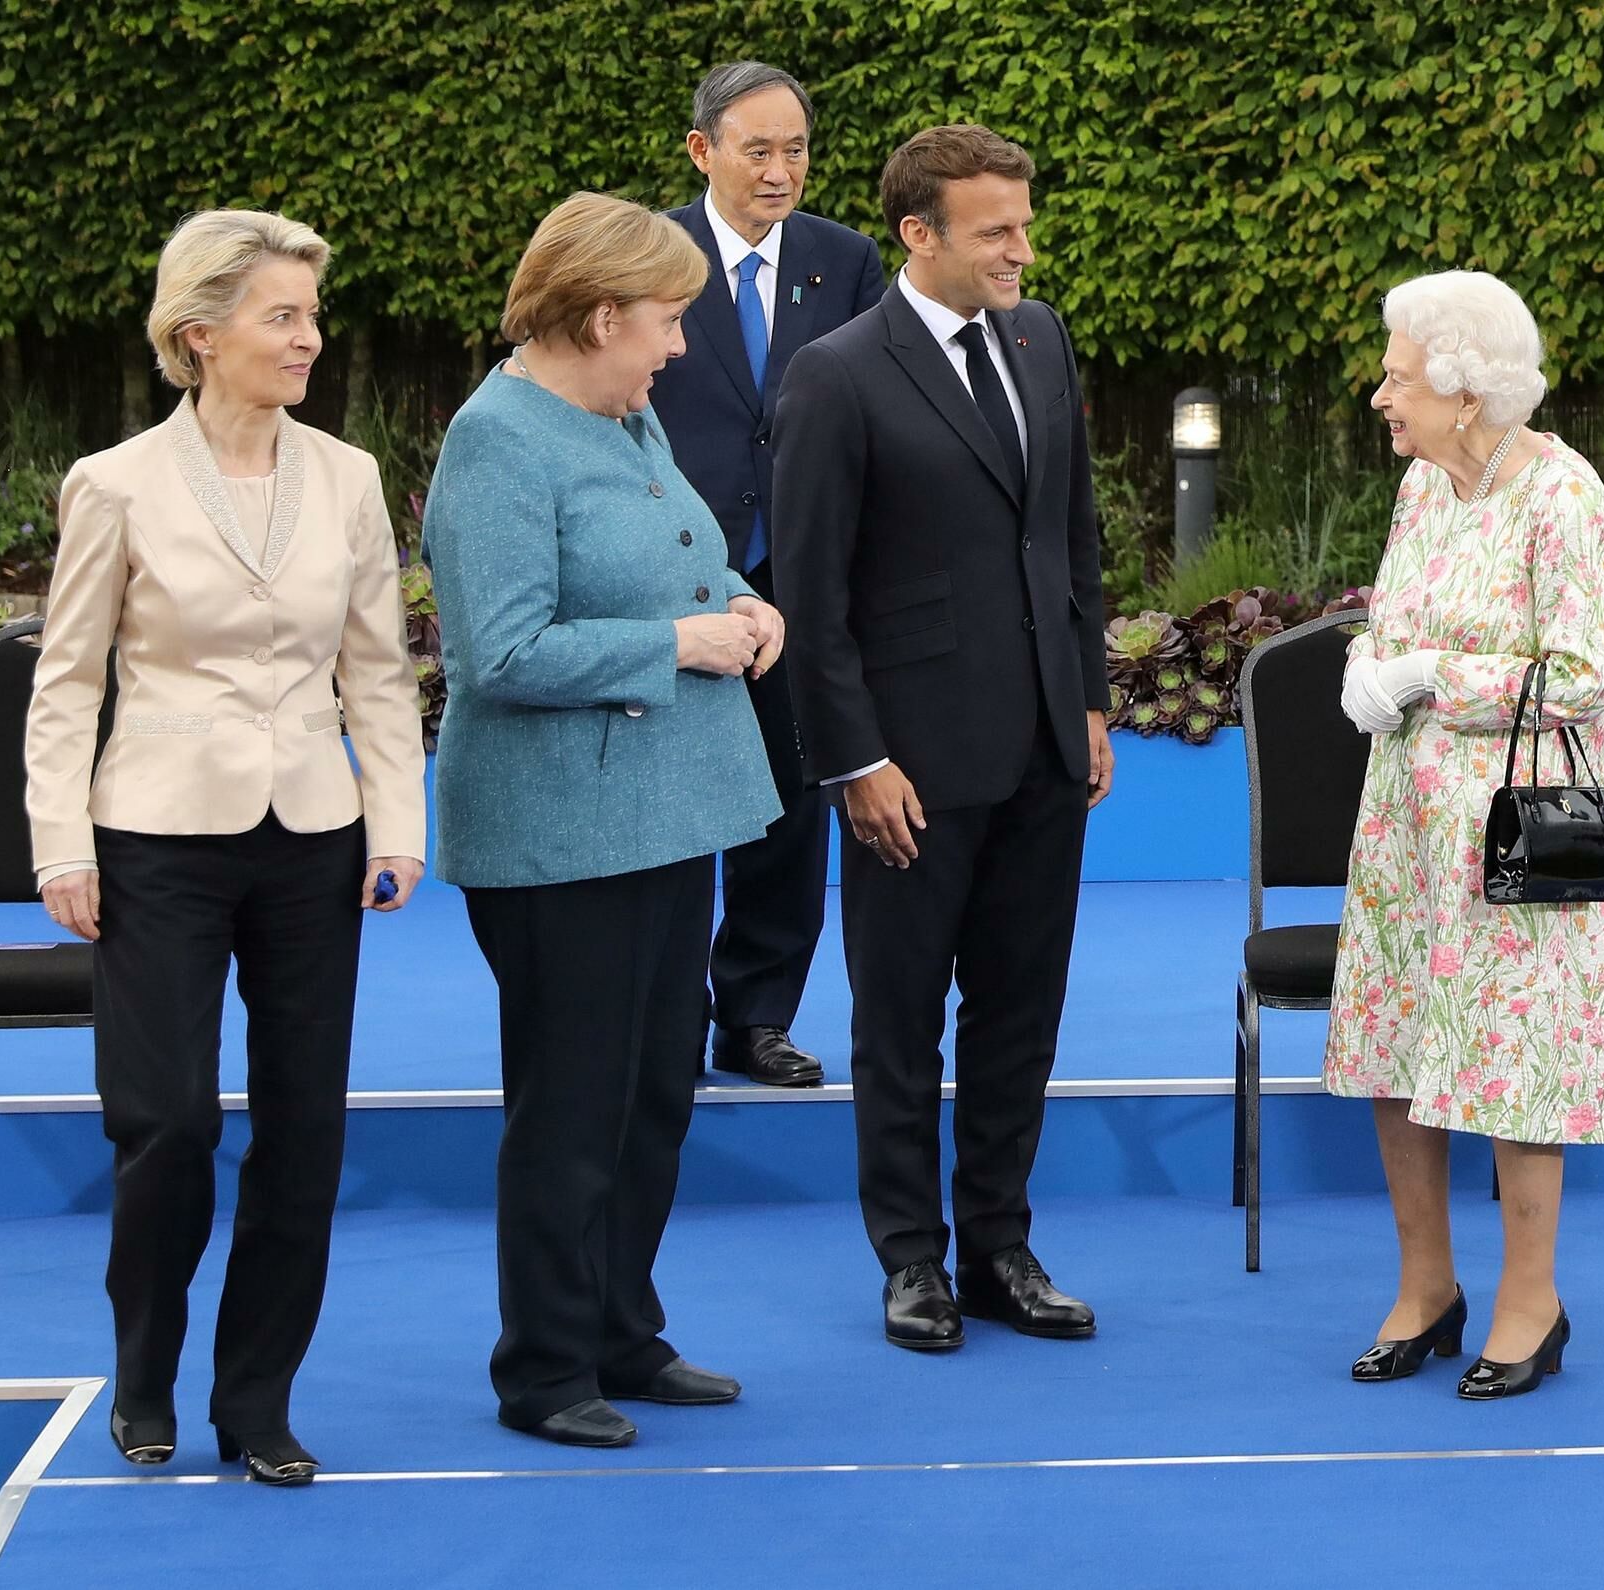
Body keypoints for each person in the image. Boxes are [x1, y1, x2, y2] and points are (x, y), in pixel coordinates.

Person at [25, 209, 426, 1485]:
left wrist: (398, 824)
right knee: (168, 1123)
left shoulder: (349, 476)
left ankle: (257, 1402)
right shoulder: (116, 482)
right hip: (153, 836)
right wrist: (59, 847)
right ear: (200, 335)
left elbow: (379, 667)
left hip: (314, 831)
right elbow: (66, 683)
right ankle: (144, 1371)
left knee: (307, 1129)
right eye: (283, 316)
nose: (310, 337)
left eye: (312, 314)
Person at [421, 192, 785, 1447]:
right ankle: (545, 1367)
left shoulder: (619, 413)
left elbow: (680, 553)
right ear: (595, 315)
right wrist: (679, 643)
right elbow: (500, 651)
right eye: (669, 321)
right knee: (573, 1107)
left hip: (669, 811)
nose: (681, 346)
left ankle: (623, 1331)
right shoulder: (499, 442)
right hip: (557, 831)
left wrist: (742, 603)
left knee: (652, 1098)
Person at [773, 124, 1113, 1352]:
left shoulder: (1041, 337)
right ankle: (909, 1260)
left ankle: (1001, 1249)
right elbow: (812, 597)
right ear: (918, 236)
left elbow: (1068, 538)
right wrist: (853, 760)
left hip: (1039, 749)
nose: (1022, 250)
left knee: (1021, 1010)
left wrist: (1085, 702)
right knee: (900, 1017)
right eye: (996, 232)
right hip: (905, 766)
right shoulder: (835, 372)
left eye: (1024, 224)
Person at [1322, 270, 1604, 1400]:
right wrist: (1367, 665)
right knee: (1400, 1049)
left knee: (1511, 1056)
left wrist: (1429, 675)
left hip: (1514, 831)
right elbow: (1396, 615)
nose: (1379, 397)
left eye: (1396, 376)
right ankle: (1425, 1289)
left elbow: (1585, 675)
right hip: (1403, 820)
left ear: (1462, 389)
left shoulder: (1561, 493)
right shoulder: (1420, 488)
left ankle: (1529, 1301)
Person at [647, 61, 886, 1089]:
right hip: (662, 577)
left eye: (796, 149)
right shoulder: (647, 255)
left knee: (788, 813)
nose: (781, 170)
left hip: (799, 582)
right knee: (664, 815)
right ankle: (658, 1017)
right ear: (704, 150)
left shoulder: (848, 260)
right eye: (759, 149)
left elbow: (876, 411)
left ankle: (755, 1018)